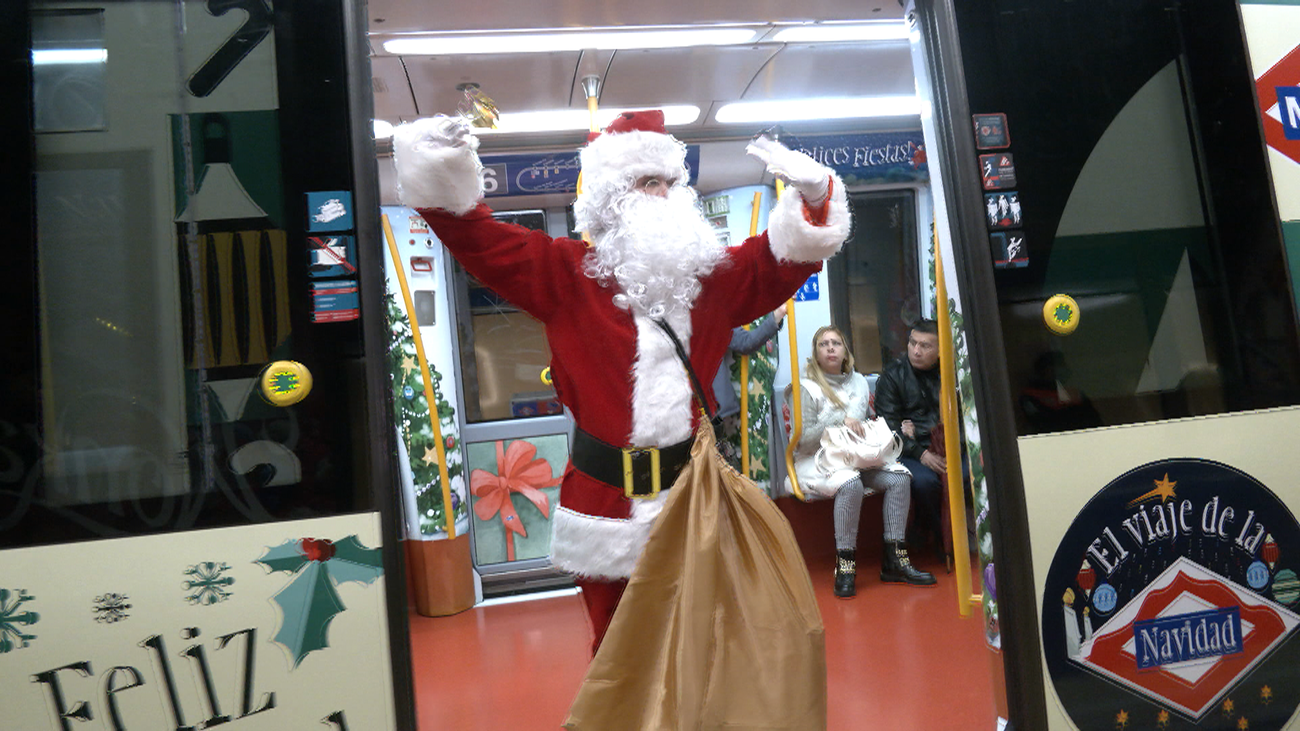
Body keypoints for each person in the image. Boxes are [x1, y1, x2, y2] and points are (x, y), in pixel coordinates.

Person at [392, 110, 851, 652]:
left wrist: (816, 195)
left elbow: (783, 258)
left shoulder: (712, 281)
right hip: (603, 503)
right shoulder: (563, 273)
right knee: (618, 655)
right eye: (646, 181)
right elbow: (477, 237)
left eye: (670, 182)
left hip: (691, 498)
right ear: (611, 197)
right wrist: (440, 162)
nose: (662, 194)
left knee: (702, 646)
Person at [786, 326, 935, 598]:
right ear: (816, 354)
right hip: (816, 460)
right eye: (823, 344)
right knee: (851, 483)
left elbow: (863, 426)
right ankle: (845, 565)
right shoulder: (805, 388)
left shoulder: (858, 382)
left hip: (854, 457)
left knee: (900, 477)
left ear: (845, 352)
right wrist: (839, 421)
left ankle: (895, 560)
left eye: (836, 343)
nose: (830, 348)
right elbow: (803, 441)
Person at [874, 318, 958, 555]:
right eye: (912, 343)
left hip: (949, 445)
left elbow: (962, 418)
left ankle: (932, 529)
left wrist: (952, 446)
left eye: (925, 346)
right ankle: (942, 538)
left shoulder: (951, 373)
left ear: (940, 350)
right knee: (925, 482)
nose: (916, 351)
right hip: (909, 449)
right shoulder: (892, 376)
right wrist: (921, 453)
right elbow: (889, 428)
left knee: (966, 475)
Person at [712, 304, 785, 471]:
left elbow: (745, 342)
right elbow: (746, 343)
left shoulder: (712, 313)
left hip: (712, 410)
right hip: (695, 408)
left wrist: (778, 314)